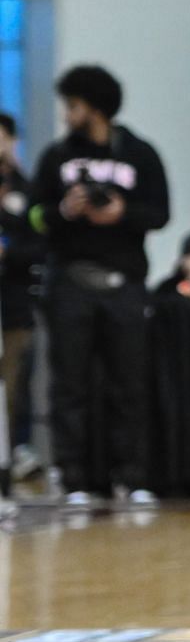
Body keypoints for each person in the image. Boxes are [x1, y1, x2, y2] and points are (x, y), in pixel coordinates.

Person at [31, 65, 171, 508]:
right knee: (68, 385)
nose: (66, 114)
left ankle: (132, 474)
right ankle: (74, 478)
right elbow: (33, 218)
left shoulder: (140, 154)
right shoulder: (56, 157)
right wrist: (63, 210)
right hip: (71, 283)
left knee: (128, 385)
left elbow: (161, 213)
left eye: (72, 105)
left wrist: (122, 213)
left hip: (124, 284)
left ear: (93, 108)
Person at [0, 113, 45, 481]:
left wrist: (8, 255)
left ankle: (16, 451)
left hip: (14, 303)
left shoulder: (27, 191)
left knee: (15, 383)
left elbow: (39, 243)